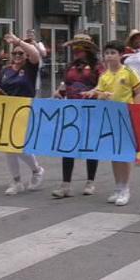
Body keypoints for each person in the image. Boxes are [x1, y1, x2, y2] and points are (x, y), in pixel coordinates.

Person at [83, 40, 140, 205]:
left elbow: (138, 91)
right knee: (114, 154)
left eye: (113, 53)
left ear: (120, 55)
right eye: (107, 53)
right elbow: (100, 92)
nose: (109, 56)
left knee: (124, 155)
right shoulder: (104, 75)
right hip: (109, 118)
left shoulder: (129, 72)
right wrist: (96, 94)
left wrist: (136, 110)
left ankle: (125, 189)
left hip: (126, 117)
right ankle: (118, 187)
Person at [0, 33, 44, 195]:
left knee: (17, 145)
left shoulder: (30, 68)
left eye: (21, 53)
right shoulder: (5, 70)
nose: (18, 56)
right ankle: (17, 180)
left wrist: (18, 41)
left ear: (26, 55)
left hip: (24, 111)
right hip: (7, 111)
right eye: (15, 53)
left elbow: (35, 54)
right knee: (8, 147)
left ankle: (36, 170)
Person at [51, 34, 102, 198]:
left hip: (90, 110)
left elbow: (103, 85)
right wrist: (59, 92)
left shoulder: (97, 67)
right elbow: (66, 84)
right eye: (74, 47)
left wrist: (95, 93)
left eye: (79, 47)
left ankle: (90, 182)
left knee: (89, 146)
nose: (75, 50)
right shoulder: (70, 66)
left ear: (87, 49)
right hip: (71, 110)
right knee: (68, 146)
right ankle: (65, 184)